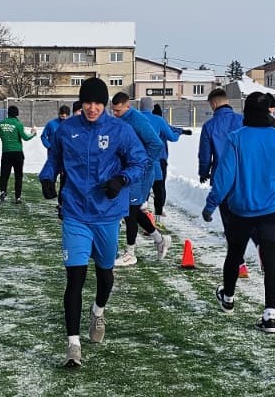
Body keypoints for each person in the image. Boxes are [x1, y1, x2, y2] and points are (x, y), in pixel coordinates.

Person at [39, 78, 147, 368]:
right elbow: (54, 160)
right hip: (75, 212)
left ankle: (98, 312)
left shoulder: (120, 130)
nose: (92, 108)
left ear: (105, 104)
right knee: (74, 278)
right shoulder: (66, 130)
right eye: (87, 102)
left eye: (98, 103)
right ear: (81, 103)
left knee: (105, 276)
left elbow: (139, 161)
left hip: (107, 214)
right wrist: (47, 177)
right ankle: (73, 345)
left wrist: (121, 179)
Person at [202, 92, 275, 333]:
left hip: (240, 211)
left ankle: (228, 298)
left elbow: (224, 177)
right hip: (271, 211)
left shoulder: (236, 138)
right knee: (271, 261)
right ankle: (270, 314)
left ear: (246, 112)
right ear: (268, 111)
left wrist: (211, 204)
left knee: (234, 255)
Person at [107, 93, 169, 265]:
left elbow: (156, 144)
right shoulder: (120, 121)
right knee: (130, 210)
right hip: (126, 172)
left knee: (130, 211)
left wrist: (143, 165)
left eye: (118, 111)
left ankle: (130, 252)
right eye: (113, 111)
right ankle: (159, 239)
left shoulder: (138, 120)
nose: (115, 114)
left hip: (138, 174)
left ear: (128, 106)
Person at [147, 103, 191, 222]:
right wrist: (181, 132)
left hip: (148, 158)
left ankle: (144, 209)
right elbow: (172, 132)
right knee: (160, 186)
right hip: (160, 159)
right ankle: (159, 211)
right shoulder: (162, 124)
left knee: (146, 185)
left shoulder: (145, 123)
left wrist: (182, 131)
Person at [197, 87, 242, 184]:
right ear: (227, 101)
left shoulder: (209, 126)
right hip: (243, 174)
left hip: (220, 176)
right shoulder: (244, 120)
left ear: (213, 104)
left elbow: (205, 154)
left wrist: (203, 172)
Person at [0, 104, 34, 203]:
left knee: (4, 174)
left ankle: (3, 191)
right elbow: (26, 137)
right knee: (18, 175)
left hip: (6, 152)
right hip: (17, 153)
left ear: (8, 113)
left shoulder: (1, 123)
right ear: (17, 114)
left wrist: (4, 135)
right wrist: (33, 133)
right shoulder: (18, 124)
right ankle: (18, 197)